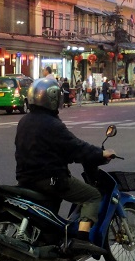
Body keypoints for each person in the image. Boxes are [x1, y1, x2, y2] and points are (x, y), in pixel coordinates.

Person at [15, 77, 116, 241]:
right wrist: (99, 154)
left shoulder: (24, 121)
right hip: (51, 179)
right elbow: (75, 147)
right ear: (53, 98)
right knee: (92, 196)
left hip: (25, 178)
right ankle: (82, 240)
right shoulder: (52, 124)